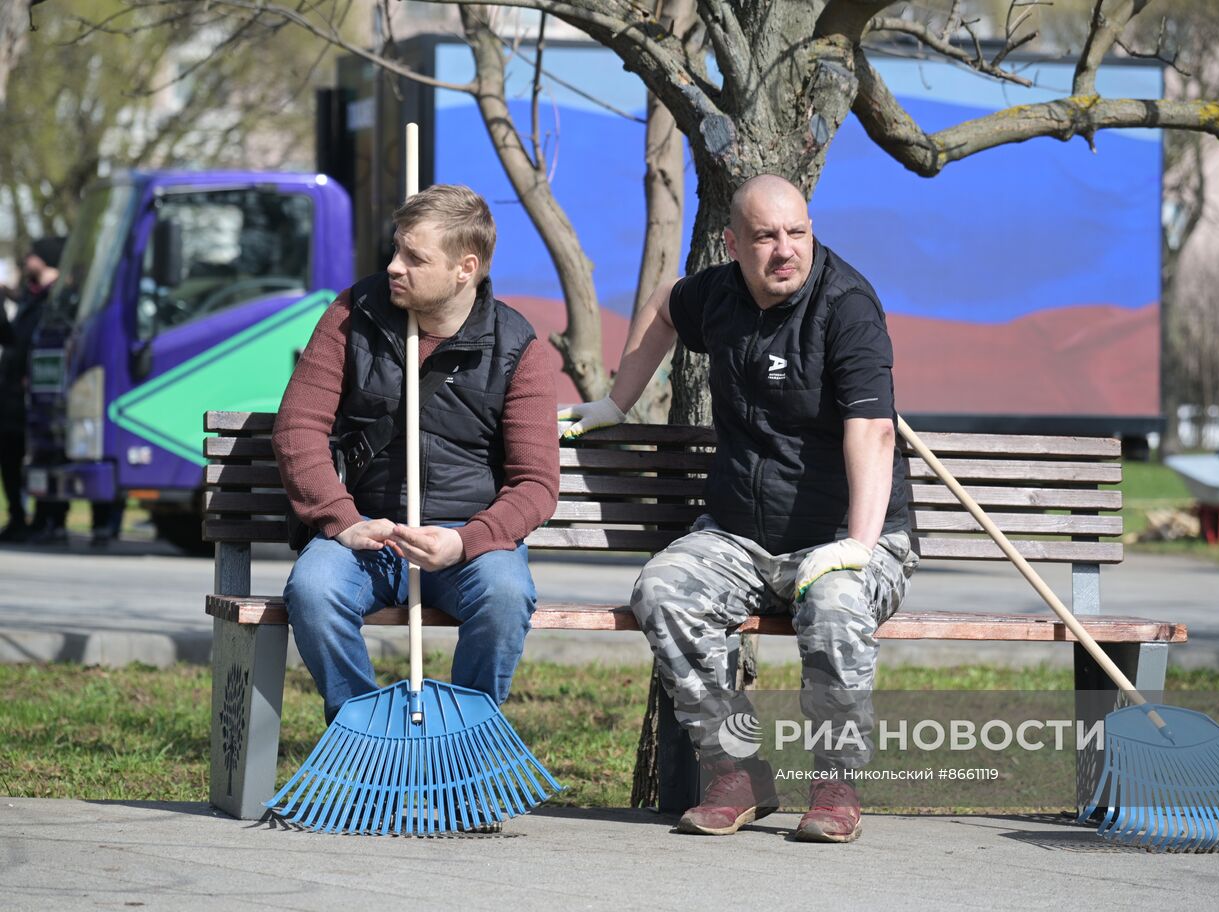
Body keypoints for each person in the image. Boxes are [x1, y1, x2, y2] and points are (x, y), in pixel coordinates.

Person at [559, 175, 917, 844]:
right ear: (733, 245)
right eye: (766, 236)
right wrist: (617, 402)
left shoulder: (847, 306)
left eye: (797, 233)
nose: (786, 250)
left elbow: (872, 432)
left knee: (836, 605)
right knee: (663, 591)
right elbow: (666, 309)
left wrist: (860, 546)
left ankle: (836, 785)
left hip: (845, 536)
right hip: (740, 534)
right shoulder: (717, 295)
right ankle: (736, 770)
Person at [272, 184, 559, 729]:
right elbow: (297, 429)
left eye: (414, 257)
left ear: (464, 268)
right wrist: (343, 521)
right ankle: (367, 744)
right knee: (312, 589)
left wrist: (464, 541)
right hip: (367, 531)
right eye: (396, 249)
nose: (393, 266)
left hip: (465, 539)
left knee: (504, 596)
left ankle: (463, 750)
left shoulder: (516, 346)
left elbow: (535, 485)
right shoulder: (351, 314)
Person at [0, 237, 65, 542]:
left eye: (32, 255)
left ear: (46, 259)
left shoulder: (59, 299)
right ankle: (20, 516)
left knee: (47, 454)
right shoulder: (31, 297)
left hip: (45, 392)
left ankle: (49, 520)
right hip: (15, 392)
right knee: (12, 454)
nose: (26, 260)